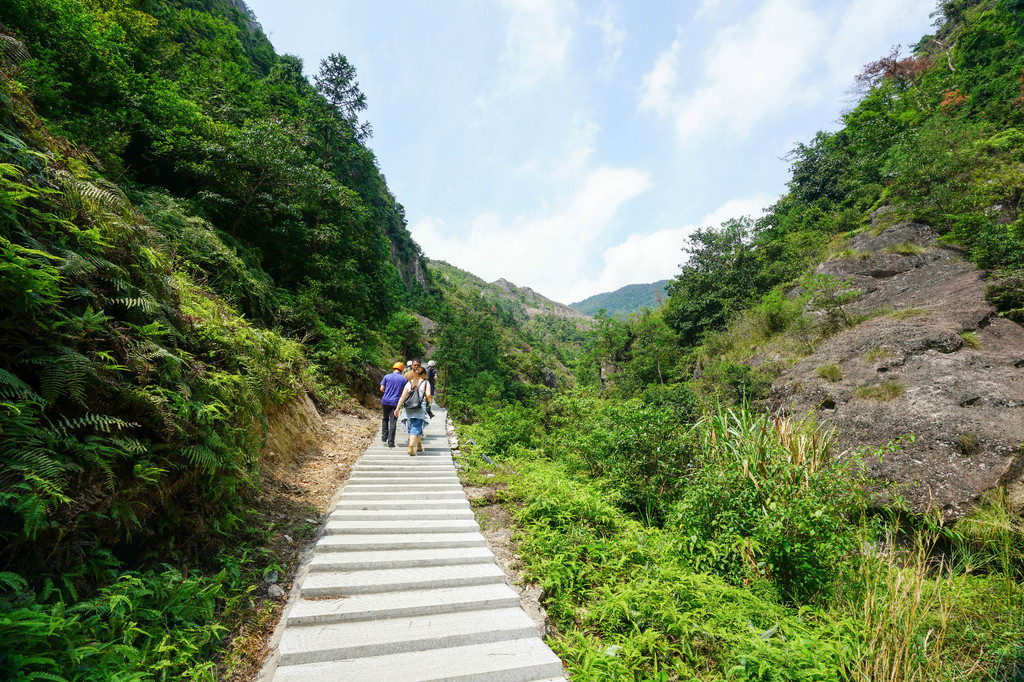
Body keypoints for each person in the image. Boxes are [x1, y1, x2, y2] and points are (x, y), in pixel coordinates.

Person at [395, 361, 432, 455]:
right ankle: (411, 447)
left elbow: (403, 396)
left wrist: (397, 408)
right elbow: (428, 394)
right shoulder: (426, 383)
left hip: (408, 408)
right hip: (419, 408)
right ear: (423, 374)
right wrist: (430, 400)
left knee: (413, 426)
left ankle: (419, 445)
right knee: (416, 426)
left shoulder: (409, 383)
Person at [379, 362, 407, 448]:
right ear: (401, 370)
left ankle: (384, 437)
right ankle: (391, 442)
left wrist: (388, 392)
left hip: (385, 401)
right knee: (393, 421)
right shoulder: (403, 379)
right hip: (395, 402)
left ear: (393, 368)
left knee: (385, 419)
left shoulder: (387, 376)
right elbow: (404, 392)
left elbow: (381, 388)